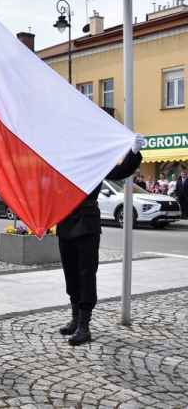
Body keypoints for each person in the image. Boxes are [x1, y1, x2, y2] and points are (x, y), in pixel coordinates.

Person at [56, 133, 145, 346]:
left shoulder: (95, 162)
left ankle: (84, 326)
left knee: (87, 273)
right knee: (71, 273)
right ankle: (75, 319)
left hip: (87, 222)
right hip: (66, 221)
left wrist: (133, 152)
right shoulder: (61, 164)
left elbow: (120, 172)